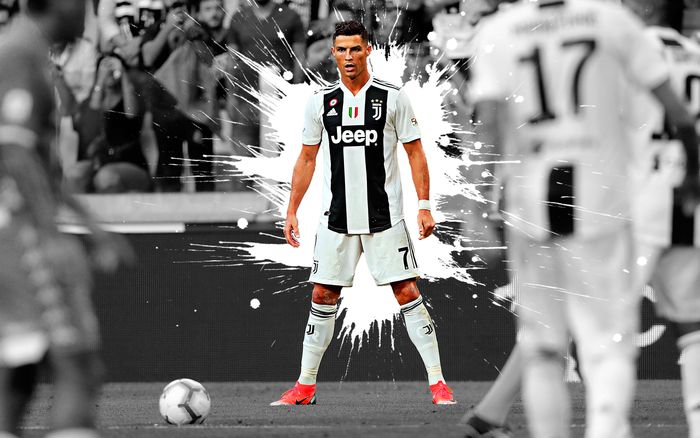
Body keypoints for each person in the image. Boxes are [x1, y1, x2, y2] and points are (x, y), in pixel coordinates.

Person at [469, 0, 700, 437]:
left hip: (536, 199)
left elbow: (489, 125)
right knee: (612, 342)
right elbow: (679, 115)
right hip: (613, 196)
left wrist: (477, 208)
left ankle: (496, 415)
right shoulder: (615, 24)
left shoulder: (501, 29)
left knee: (543, 343)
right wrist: (692, 172)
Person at [271, 20, 456, 407]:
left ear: (368, 50)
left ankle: (438, 383)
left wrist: (424, 205)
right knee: (323, 294)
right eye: (342, 49)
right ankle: (305, 387)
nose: (349, 56)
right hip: (336, 219)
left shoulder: (393, 98)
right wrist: (292, 210)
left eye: (356, 48)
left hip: (384, 218)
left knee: (407, 291)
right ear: (333, 54)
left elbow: (415, 153)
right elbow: (307, 159)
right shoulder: (320, 102)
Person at [0, 1, 131, 437]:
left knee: (19, 373)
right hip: (20, 233)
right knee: (78, 366)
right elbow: (14, 151)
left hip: (18, 229)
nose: (88, 12)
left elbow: (40, 165)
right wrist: (50, 234)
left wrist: (92, 229)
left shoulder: (29, 51)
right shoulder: (19, 53)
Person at [624, 1, 700, 436]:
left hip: (636, 201)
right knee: (693, 323)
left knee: (605, 318)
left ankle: (607, 423)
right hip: (689, 204)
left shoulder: (628, 54)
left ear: (645, 8)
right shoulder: (696, 57)